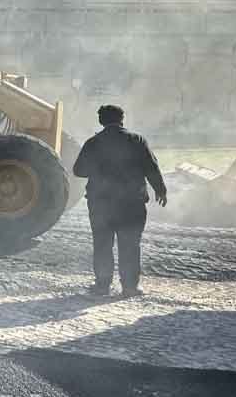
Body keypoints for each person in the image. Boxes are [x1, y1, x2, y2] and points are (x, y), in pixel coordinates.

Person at [72, 104, 168, 298]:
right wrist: (161, 190)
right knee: (131, 244)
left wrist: (99, 169)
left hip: (101, 203)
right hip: (132, 203)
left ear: (101, 120)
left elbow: (78, 170)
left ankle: (102, 286)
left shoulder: (93, 143)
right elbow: (151, 167)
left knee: (102, 244)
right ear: (122, 119)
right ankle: (130, 287)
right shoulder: (137, 140)